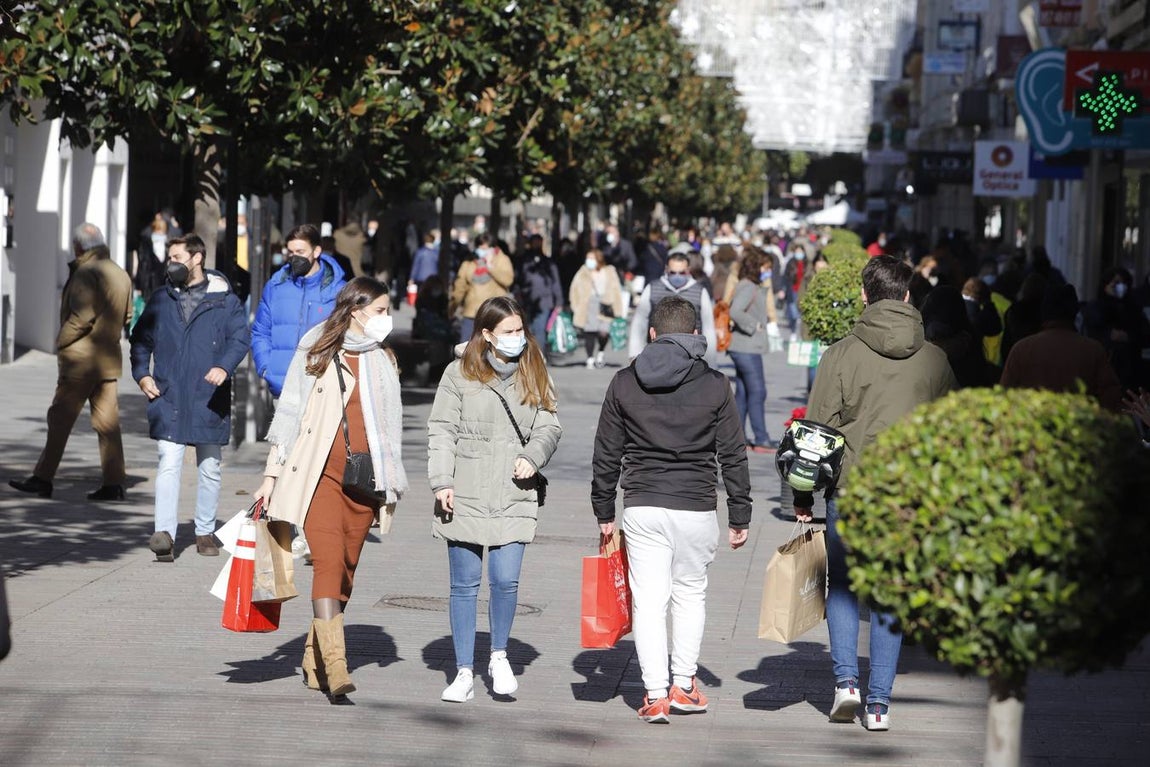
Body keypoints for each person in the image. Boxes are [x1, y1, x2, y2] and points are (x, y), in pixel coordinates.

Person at [794, 255, 955, 732]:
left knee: (842, 587)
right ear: (908, 296)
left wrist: (801, 496)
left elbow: (816, 431)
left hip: (850, 489)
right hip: (910, 495)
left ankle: (847, 683)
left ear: (865, 296)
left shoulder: (842, 354)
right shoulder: (936, 359)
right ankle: (879, 704)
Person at [590, 294, 752, 723]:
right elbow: (733, 453)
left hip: (642, 505)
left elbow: (606, 452)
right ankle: (684, 684)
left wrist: (604, 510)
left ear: (652, 334)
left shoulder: (624, 381)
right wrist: (741, 514)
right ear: (696, 336)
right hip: (696, 506)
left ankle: (655, 693)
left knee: (649, 602)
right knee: (690, 594)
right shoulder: (716, 384)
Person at [253, 277, 406, 699]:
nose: (386, 319)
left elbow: (391, 429)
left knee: (346, 572)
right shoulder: (317, 346)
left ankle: (312, 657)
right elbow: (289, 414)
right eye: (380, 310)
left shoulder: (382, 357)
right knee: (326, 563)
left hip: (366, 480)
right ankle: (337, 666)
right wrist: (270, 478)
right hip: (318, 474)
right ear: (356, 311)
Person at [427, 296, 562, 703]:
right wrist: (441, 482)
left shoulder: (534, 369)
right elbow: (441, 429)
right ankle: (464, 670)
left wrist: (532, 457)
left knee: (505, 580)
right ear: (486, 335)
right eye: (508, 332)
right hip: (464, 488)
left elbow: (549, 425)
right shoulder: (458, 373)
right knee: (464, 585)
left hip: (513, 491)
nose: (517, 338)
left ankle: (499, 655)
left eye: (520, 330)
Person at [129, 235, 250, 560]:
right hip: (169, 393)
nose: (172, 263)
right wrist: (142, 373)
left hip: (208, 396)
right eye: (170, 257)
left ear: (197, 258)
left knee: (209, 466)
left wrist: (224, 368)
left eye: (178, 256)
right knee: (168, 462)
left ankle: (204, 532)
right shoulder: (162, 299)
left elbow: (240, 339)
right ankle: (164, 534)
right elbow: (140, 339)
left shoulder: (224, 299)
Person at [10, 223, 133, 501]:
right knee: (107, 424)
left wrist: (60, 340)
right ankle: (114, 484)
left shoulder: (87, 272)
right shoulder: (119, 273)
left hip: (81, 362)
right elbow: (127, 316)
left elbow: (81, 316)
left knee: (60, 419)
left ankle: (42, 478)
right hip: (107, 360)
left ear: (79, 246)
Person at [251, 224, 347, 399]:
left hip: (321, 391)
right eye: (291, 252)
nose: (295, 258)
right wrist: (266, 368)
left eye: (300, 252)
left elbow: (345, 337)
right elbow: (260, 331)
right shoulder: (276, 286)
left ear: (316, 251)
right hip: (282, 387)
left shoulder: (338, 290)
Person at [1002, 283, 1122, 411]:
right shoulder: (1093, 350)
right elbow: (1110, 397)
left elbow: (1004, 396)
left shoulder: (1021, 349)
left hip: (1031, 426)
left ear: (1044, 311)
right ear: (1075, 311)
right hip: (1080, 426)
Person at [628, 245, 717, 365]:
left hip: (691, 357)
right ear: (666, 269)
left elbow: (708, 327)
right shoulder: (653, 288)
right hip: (657, 355)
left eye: (682, 272)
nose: (677, 276)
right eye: (673, 272)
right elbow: (639, 322)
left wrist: (710, 362)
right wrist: (634, 354)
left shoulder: (700, 291)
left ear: (688, 270)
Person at [727, 248, 779, 452]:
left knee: (744, 392)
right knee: (758, 391)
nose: (768, 272)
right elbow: (735, 311)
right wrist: (754, 325)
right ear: (756, 267)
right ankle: (761, 438)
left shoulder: (750, 284)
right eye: (766, 268)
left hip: (743, 346)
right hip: (746, 346)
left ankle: (738, 438)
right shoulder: (748, 286)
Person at [450, 233, 515, 343]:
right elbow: (460, 286)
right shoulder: (469, 262)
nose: (483, 251)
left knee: (491, 349)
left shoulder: (502, 259)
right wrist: (452, 307)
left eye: (486, 248)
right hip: (471, 313)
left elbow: (508, 280)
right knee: (466, 347)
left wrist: (490, 267)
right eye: (480, 247)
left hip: (494, 313)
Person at [569, 249, 625, 369]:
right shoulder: (583, 272)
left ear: (598, 259)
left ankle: (600, 353)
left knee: (604, 332)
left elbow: (616, 290)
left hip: (606, 304)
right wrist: (576, 306)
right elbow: (574, 289)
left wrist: (618, 308)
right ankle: (590, 358)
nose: (588, 261)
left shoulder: (609, 271)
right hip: (589, 304)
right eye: (587, 258)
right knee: (590, 332)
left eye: (591, 258)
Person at [516, 233, 564, 347]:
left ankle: (539, 356)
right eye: (535, 242)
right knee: (527, 329)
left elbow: (555, 282)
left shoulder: (548, 262)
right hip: (526, 300)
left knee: (540, 329)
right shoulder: (524, 262)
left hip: (544, 300)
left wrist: (559, 302)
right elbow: (517, 280)